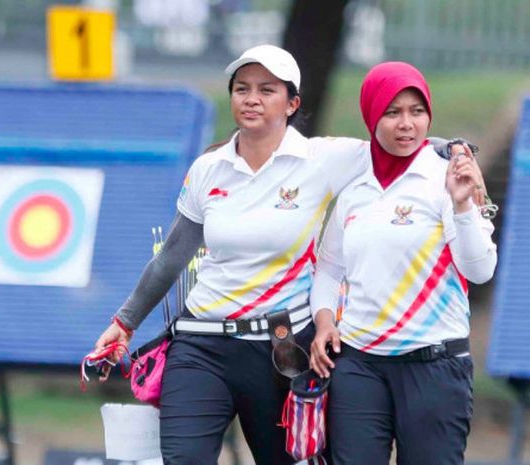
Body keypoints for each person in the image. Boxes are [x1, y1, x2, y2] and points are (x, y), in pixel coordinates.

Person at [91, 44, 373, 465]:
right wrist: (124, 322)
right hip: (200, 344)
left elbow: (397, 145)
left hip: (280, 350)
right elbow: (173, 255)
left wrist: (453, 151)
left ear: (292, 103)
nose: (252, 99)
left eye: (267, 90)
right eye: (242, 89)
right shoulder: (210, 167)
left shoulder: (322, 159)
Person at [309, 61, 498, 465]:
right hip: (359, 365)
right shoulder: (354, 189)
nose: (406, 124)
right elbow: (328, 268)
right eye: (392, 112)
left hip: (434, 365)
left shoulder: (450, 177)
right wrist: (325, 323)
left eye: (417, 111)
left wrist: (463, 204)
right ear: (371, 116)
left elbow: (480, 269)